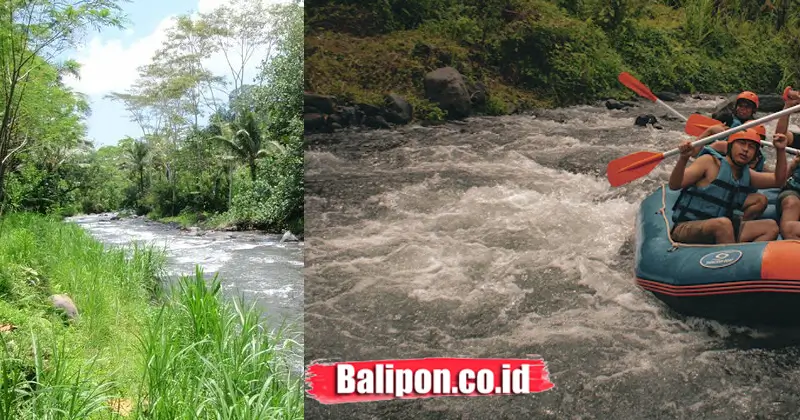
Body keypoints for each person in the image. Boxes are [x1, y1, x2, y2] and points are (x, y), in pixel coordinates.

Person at [669, 128, 788, 244]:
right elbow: (674, 185)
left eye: (751, 147)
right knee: (723, 225)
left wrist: (781, 150)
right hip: (687, 227)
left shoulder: (747, 174)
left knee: (770, 227)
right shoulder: (709, 162)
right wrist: (683, 159)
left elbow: (778, 181)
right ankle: (731, 259)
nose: (746, 149)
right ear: (730, 146)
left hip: (724, 229)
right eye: (741, 143)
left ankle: (742, 258)